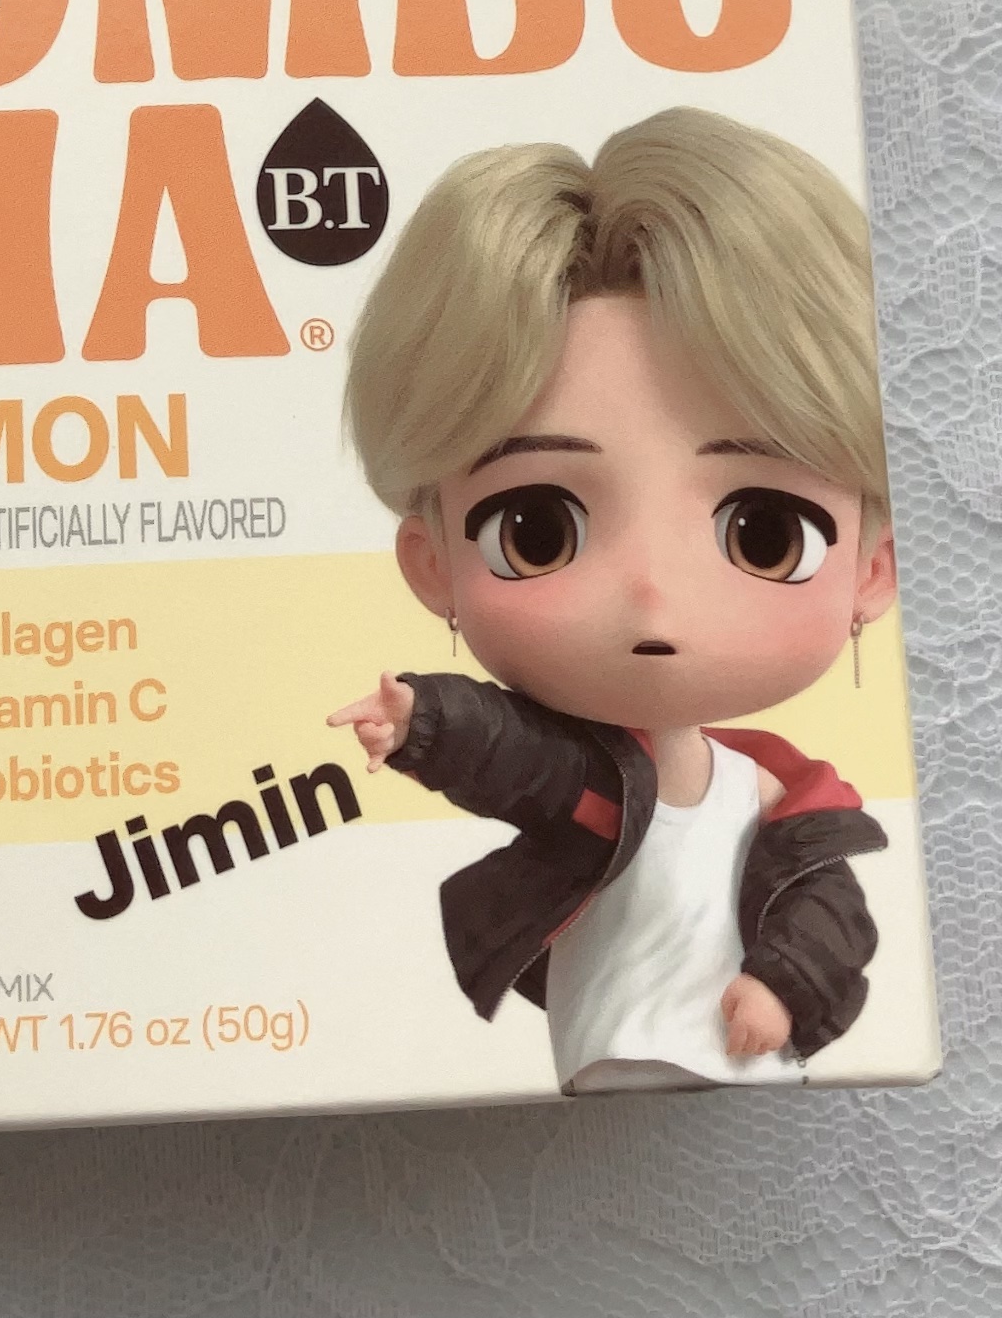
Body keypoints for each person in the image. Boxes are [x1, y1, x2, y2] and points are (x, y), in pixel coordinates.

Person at [328, 109, 895, 1092]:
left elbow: (831, 916)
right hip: (597, 1072)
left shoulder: (785, 804)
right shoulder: (588, 786)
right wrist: (424, 722)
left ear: (873, 570)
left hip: (742, 1075)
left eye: (764, 531)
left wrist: (783, 985)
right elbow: (514, 755)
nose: (650, 591)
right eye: (537, 529)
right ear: (432, 563)